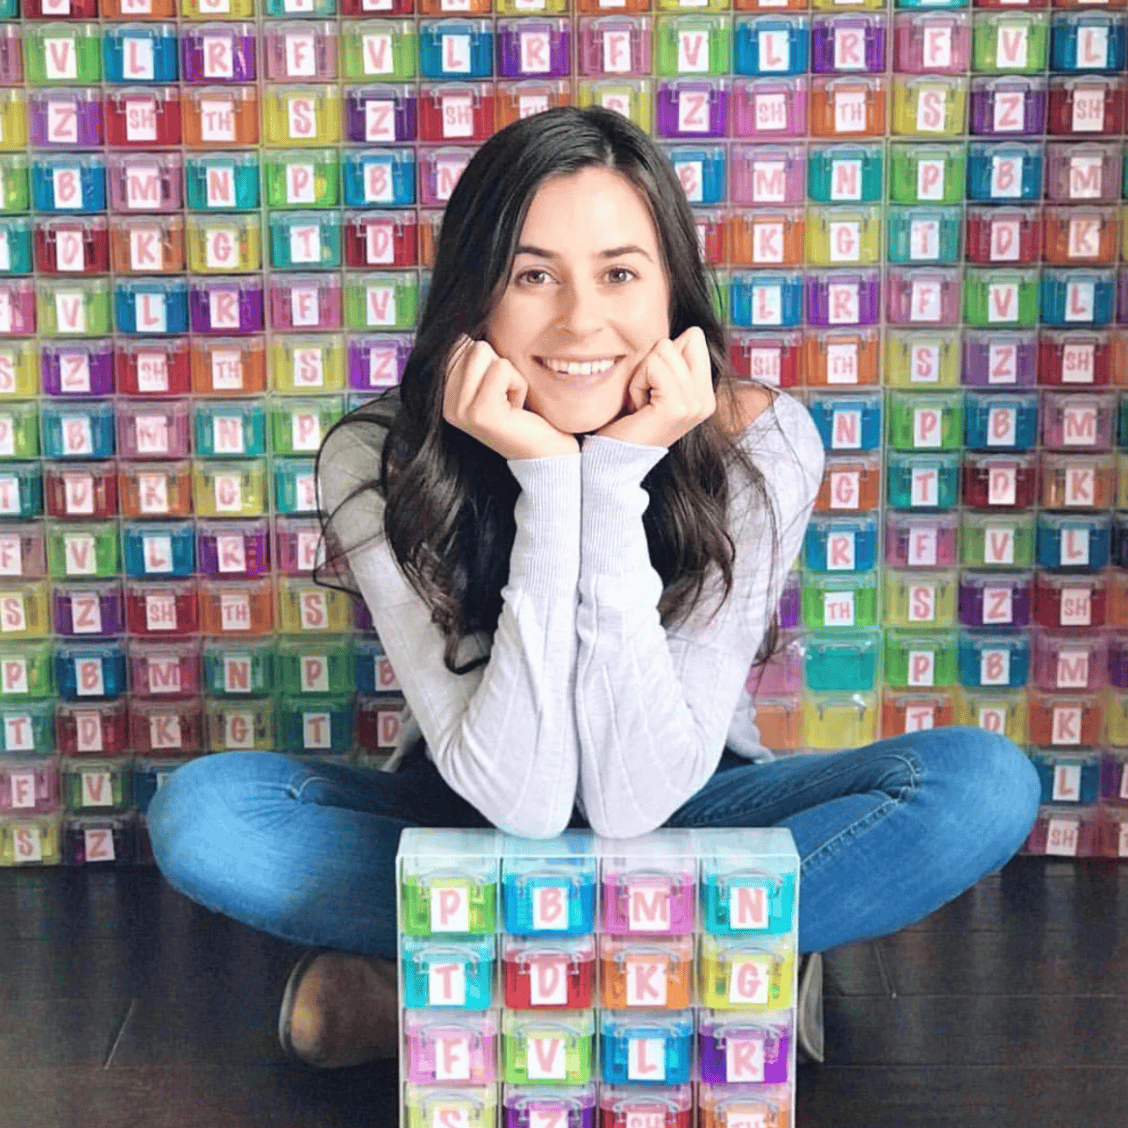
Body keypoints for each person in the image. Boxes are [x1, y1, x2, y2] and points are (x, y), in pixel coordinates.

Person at [147, 106, 1041, 1072]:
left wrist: (613, 475)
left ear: (671, 298)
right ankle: (708, 965)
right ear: (478, 299)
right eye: (534, 276)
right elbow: (525, 803)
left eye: (619, 273)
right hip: (470, 812)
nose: (580, 321)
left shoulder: (762, 441)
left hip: (688, 804)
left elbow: (628, 801)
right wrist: (544, 475)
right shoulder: (379, 457)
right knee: (205, 814)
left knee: (978, 786)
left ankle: (439, 983)